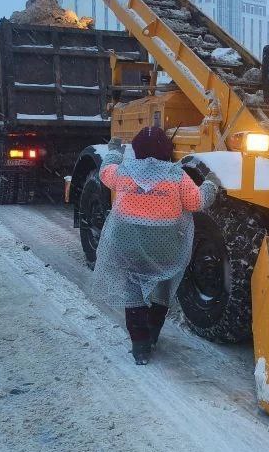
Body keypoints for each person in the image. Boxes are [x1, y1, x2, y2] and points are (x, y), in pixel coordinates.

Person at [89, 126, 218, 364]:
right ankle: (153, 334)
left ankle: (140, 345)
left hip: (128, 245)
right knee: (162, 289)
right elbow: (197, 202)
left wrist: (115, 150)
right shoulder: (177, 176)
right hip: (165, 247)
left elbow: (105, 172)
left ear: (136, 151)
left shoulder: (125, 172)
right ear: (167, 151)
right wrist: (211, 183)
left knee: (134, 292)